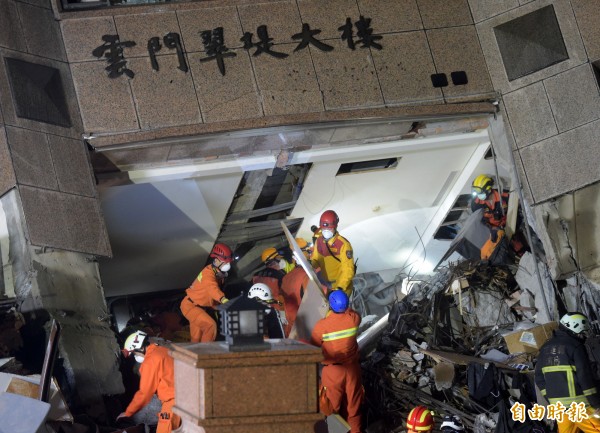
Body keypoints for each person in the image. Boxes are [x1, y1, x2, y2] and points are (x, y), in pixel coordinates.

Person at [534, 312, 600, 433]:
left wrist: (550, 399)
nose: (583, 335)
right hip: (580, 406)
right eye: (582, 332)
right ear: (576, 327)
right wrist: (596, 403)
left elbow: (539, 378)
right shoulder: (575, 346)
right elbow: (584, 377)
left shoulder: (545, 348)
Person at [311, 290, 363, 433]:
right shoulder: (354, 319)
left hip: (333, 372)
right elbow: (352, 312)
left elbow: (313, 347)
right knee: (354, 407)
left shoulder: (322, 326)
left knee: (332, 410)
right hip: (353, 370)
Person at [118, 331, 181, 433]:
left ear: (141, 348)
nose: (135, 356)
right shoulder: (162, 350)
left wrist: (128, 412)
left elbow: (145, 393)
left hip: (172, 402)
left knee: (163, 428)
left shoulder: (149, 362)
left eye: (134, 352)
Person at [180, 243, 232, 343]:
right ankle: (206, 352)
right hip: (191, 306)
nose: (228, 265)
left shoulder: (218, 274)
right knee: (210, 326)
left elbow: (210, 295)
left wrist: (218, 307)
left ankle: (197, 355)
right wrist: (223, 299)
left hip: (197, 307)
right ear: (216, 260)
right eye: (225, 262)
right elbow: (212, 289)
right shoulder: (208, 273)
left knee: (196, 339)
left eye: (228, 262)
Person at [310, 210, 355, 297]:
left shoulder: (343, 244)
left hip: (340, 286)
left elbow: (348, 270)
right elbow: (315, 260)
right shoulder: (319, 241)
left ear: (335, 226)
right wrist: (307, 264)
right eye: (323, 228)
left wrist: (340, 288)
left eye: (329, 228)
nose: (326, 231)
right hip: (325, 283)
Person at [281, 241, 311, 337]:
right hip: (305, 325)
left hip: (289, 326)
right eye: (308, 252)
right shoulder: (306, 276)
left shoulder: (286, 277)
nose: (310, 254)